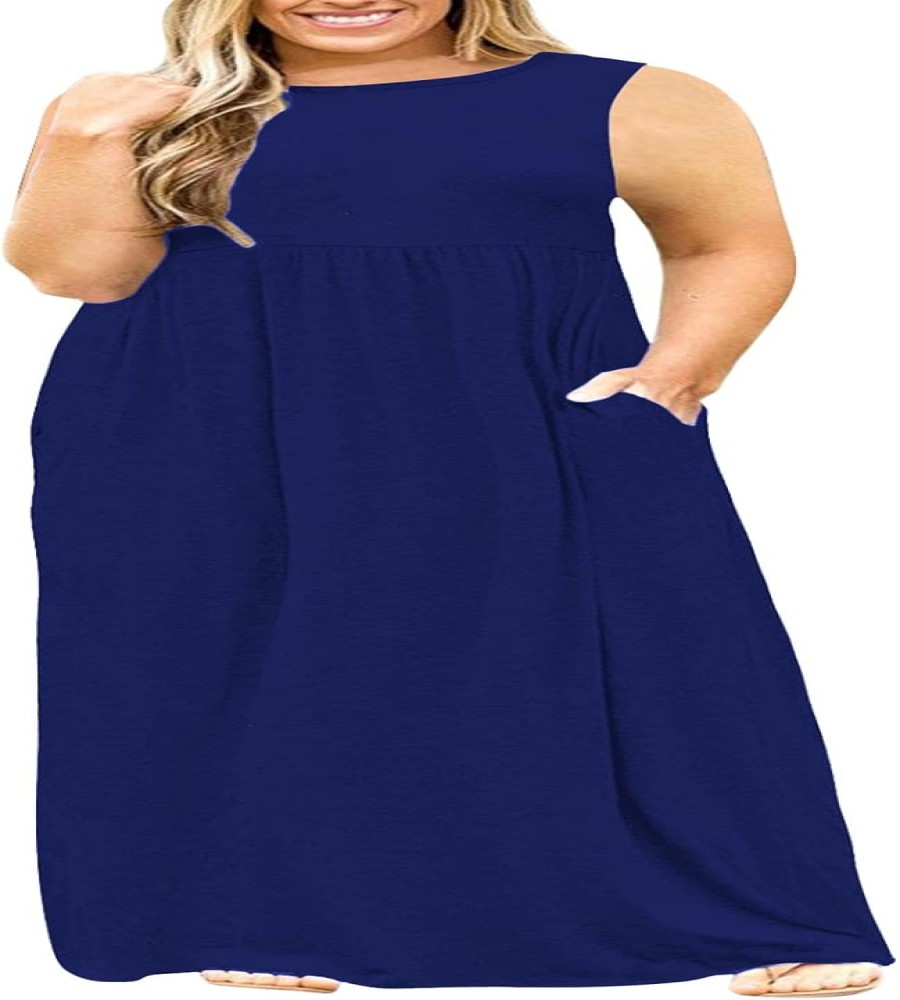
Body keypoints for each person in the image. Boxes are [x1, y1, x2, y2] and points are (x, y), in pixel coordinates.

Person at [4, 1, 893, 997]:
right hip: (203, 437)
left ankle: (775, 912)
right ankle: (264, 912)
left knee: (671, 657)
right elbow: (78, 272)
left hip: (527, 420)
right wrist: (82, 133)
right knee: (229, 665)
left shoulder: (634, 99)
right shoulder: (151, 107)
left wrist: (674, 379)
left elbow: (727, 243)